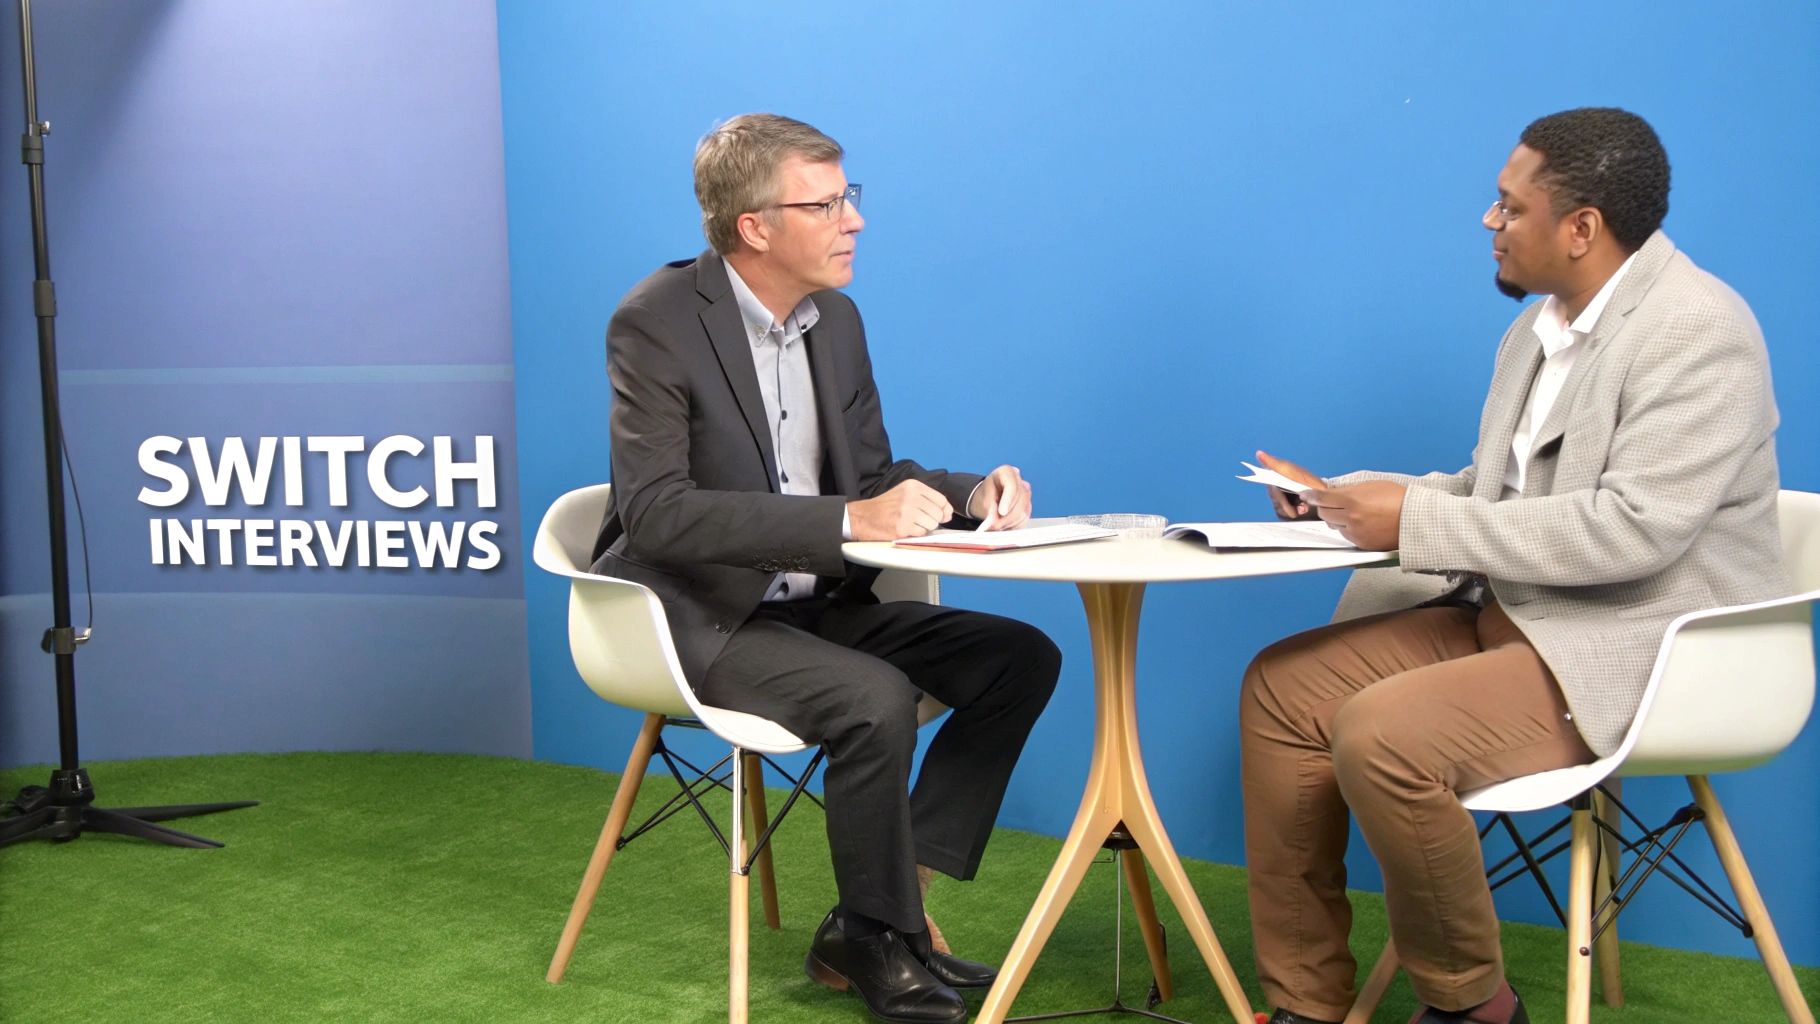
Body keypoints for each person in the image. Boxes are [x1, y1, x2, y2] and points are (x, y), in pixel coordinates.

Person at [1239, 107, 1789, 1024]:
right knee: (1281, 690)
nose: (1488, 223)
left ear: (1582, 227)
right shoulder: (1541, 329)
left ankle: (1472, 1008)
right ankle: (1307, 1007)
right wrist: (1349, 494)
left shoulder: (1701, 331)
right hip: (1523, 619)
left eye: (1507, 206)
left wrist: (1414, 520)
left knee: (1384, 734)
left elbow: (1630, 531)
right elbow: (1491, 486)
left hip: (1637, 645)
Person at [591, 113, 1061, 1024]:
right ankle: (882, 942)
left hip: (820, 601)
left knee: (1019, 658)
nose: (854, 220)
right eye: (828, 202)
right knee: (873, 698)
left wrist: (969, 491)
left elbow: (872, 477)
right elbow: (655, 512)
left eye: (851, 196)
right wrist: (848, 519)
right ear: (753, 227)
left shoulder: (834, 320)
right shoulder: (653, 323)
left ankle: (876, 912)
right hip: (706, 616)